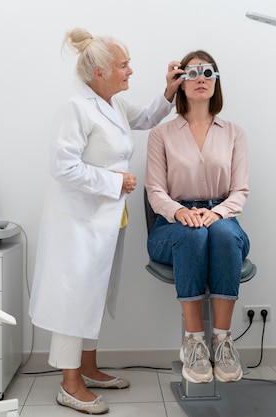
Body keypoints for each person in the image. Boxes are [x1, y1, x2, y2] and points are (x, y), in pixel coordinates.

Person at [29, 28, 182, 415]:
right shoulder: (76, 107)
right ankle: (69, 382)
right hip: (77, 222)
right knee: (74, 297)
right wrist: (115, 181)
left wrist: (168, 90)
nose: (130, 70)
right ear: (99, 72)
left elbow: (146, 117)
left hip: (108, 218)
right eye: (123, 64)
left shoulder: (113, 103)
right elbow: (62, 167)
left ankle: (89, 367)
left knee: (96, 293)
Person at [145, 50, 250, 385]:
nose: (201, 78)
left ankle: (222, 341)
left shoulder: (234, 132)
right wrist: (180, 212)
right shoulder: (160, 135)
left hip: (223, 218)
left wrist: (215, 213)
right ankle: (193, 342)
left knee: (218, 233)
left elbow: (240, 192)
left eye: (208, 72)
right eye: (192, 73)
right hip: (172, 225)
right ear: (180, 82)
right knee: (193, 234)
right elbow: (155, 191)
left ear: (216, 80)